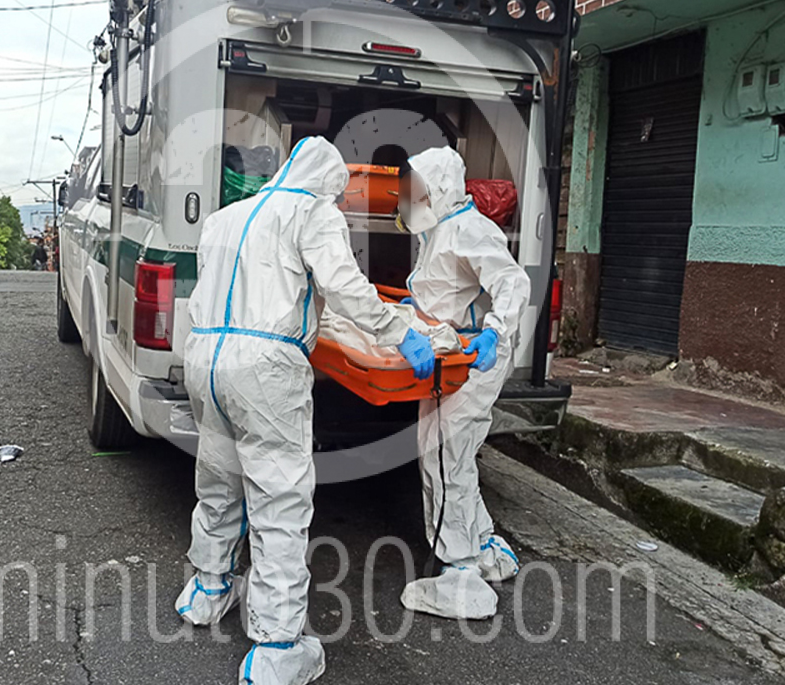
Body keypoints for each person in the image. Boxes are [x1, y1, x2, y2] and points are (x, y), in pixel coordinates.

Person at [175, 136, 435, 685]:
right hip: (265, 368)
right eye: (339, 196)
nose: (339, 206)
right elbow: (344, 287)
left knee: (218, 479)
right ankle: (276, 646)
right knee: (279, 500)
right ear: (327, 185)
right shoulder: (312, 213)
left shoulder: (226, 217)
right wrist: (401, 332)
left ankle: (207, 589)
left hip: (205, 355)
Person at [394, 147, 531, 621]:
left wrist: (495, 332)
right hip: (452, 354)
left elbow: (513, 282)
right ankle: (484, 545)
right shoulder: (439, 230)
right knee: (441, 449)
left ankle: (461, 572)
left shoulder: (468, 230)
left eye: (415, 191)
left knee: (447, 454)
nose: (407, 199)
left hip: (474, 355)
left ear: (440, 189)